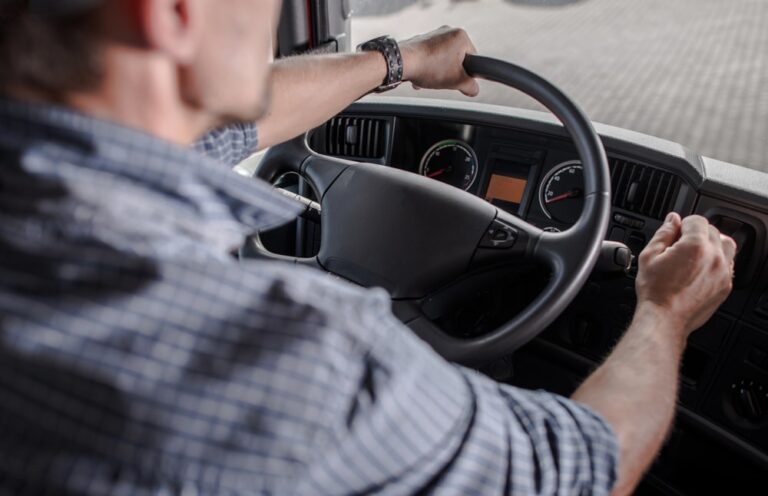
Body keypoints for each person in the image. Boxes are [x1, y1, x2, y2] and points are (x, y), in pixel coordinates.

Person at [0, 1, 736, 495]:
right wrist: (666, 310)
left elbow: (218, 126)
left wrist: (402, 61)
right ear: (170, 15)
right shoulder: (291, 355)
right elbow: (582, 466)